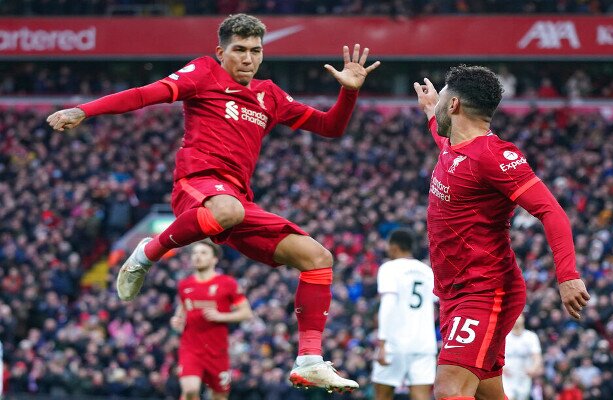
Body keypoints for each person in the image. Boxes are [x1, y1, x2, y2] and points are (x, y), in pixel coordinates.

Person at [46, 13, 380, 392]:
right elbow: (144, 95)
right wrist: (84, 110)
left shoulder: (269, 94)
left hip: (235, 199)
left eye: (256, 51)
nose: (248, 59)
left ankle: (309, 360)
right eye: (239, 50)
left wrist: (349, 91)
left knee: (318, 257)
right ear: (220, 52)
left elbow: (330, 127)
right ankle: (146, 254)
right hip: (197, 185)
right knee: (228, 209)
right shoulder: (203, 73)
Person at [412, 65, 590, 400]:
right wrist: (429, 110)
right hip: (454, 292)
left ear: (454, 106)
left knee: (450, 387)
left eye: (443, 98)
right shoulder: (454, 145)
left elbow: (551, 211)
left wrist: (567, 275)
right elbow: (442, 135)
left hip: (486, 291)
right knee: (486, 392)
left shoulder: (494, 156)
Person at [170, 240, 253, 400]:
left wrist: (221, 316)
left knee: (220, 396)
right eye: (194, 253)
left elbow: (246, 313)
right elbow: (181, 312)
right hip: (191, 348)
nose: (197, 257)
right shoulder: (184, 285)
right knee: (190, 390)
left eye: (203, 253)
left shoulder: (227, 283)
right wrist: (176, 321)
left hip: (217, 351)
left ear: (214, 259)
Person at [372, 228, 436, 400]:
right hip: (424, 343)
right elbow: (437, 302)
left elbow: (388, 304)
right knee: (421, 396)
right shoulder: (426, 270)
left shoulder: (389, 268)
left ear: (394, 246)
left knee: (383, 395)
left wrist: (383, 342)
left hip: (395, 342)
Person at [502, 315, 542, 400]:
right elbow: (495, 355)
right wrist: (501, 367)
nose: (517, 319)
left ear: (523, 319)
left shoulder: (531, 336)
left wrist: (533, 369)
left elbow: (537, 357)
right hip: (507, 376)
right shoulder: (505, 336)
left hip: (524, 376)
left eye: (519, 316)